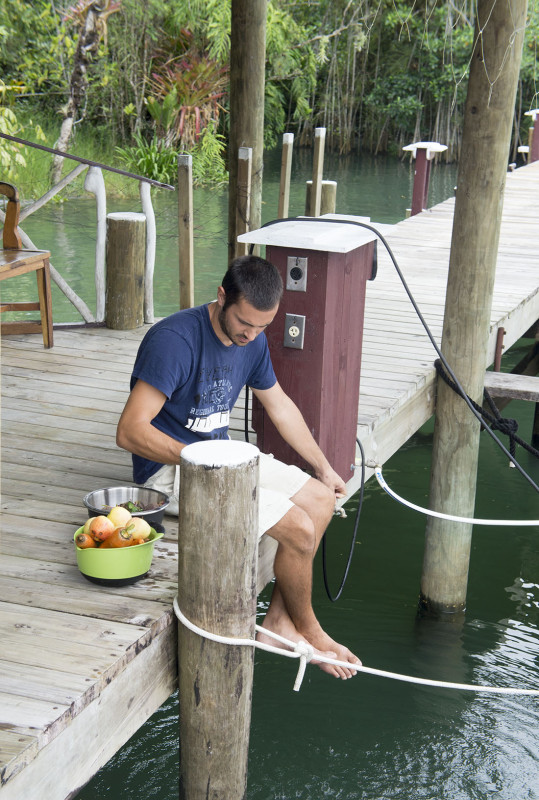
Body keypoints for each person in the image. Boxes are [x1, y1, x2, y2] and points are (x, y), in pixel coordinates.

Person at [116, 254, 361, 679]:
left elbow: (280, 406)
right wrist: (200, 457)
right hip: (169, 469)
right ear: (221, 297)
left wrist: (323, 467)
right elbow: (130, 431)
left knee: (320, 501)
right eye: (245, 324)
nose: (251, 335)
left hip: (224, 457)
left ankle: (279, 623)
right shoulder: (174, 341)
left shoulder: (254, 340)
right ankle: (311, 630)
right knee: (300, 529)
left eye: (263, 326)